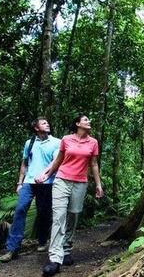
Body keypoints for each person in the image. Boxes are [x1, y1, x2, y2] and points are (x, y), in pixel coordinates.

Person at [36, 114, 104, 276]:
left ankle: (66, 249)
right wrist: (47, 174)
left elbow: (93, 164)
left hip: (80, 183)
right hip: (61, 181)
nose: (89, 122)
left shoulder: (93, 142)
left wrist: (99, 185)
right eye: (86, 120)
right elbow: (58, 161)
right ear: (77, 123)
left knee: (73, 216)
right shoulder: (66, 139)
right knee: (59, 217)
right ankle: (55, 259)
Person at [0, 117, 61, 262]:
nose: (48, 124)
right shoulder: (30, 142)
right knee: (20, 210)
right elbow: (25, 163)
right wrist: (20, 182)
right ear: (36, 128)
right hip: (28, 182)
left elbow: (55, 162)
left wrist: (45, 175)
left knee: (43, 213)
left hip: (47, 183)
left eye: (47, 122)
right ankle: (12, 249)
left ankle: (42, 240)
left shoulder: (56, 142)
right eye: (44, 123)